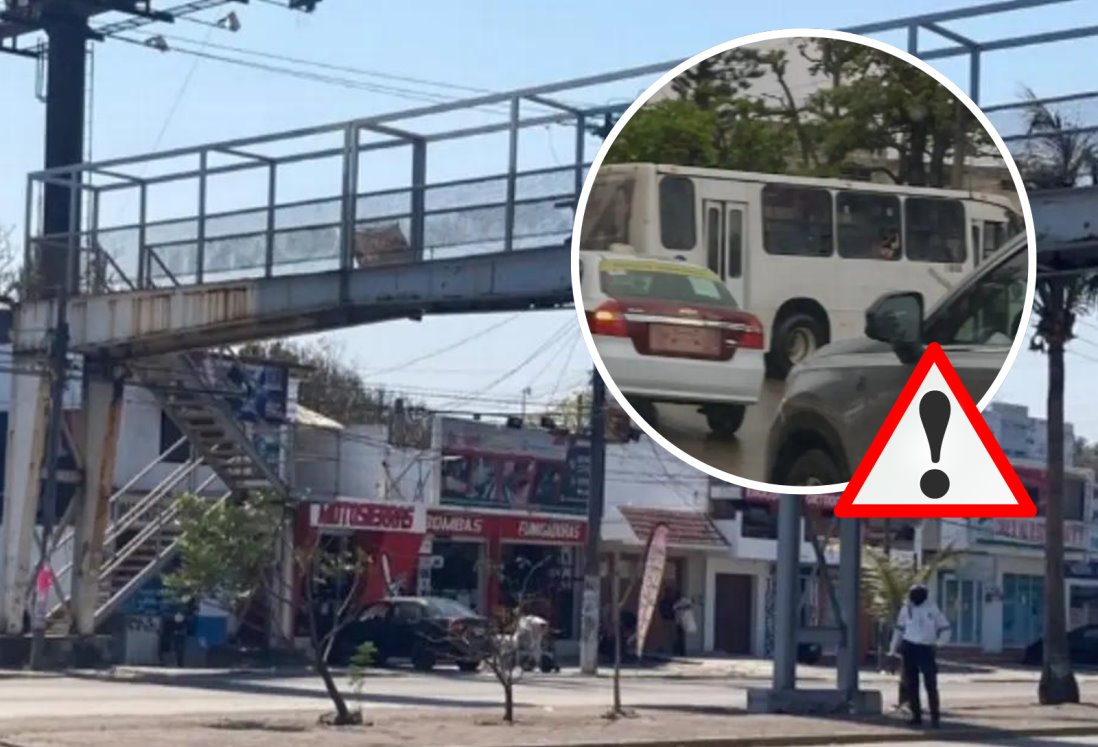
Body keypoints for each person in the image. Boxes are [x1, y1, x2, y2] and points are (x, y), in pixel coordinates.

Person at [890, 584, 951, 728]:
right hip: (909, 647)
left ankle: (935, 717)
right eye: (912, 596)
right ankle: (916, 716)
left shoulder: (932, 609)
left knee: (931, 684)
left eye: (916, 596)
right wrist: (892, 649)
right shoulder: (907, 609)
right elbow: (899, 630)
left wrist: (939, 643)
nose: (913, 599)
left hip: (926, 648)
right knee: (912, 685)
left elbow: (945, 628)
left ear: (924, 596)